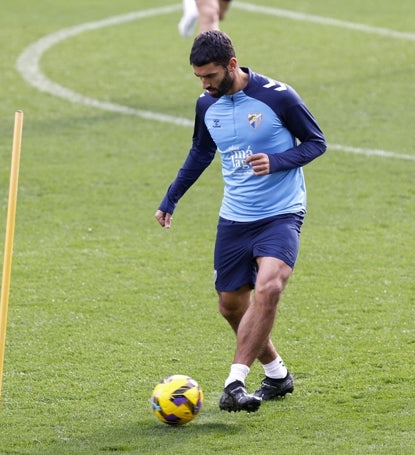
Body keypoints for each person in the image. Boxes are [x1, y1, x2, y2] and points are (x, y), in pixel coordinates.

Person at [154, 30, 326, 412]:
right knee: (231, 306)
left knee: (269, 288)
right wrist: (171, 198)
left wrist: (277, 161)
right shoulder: (206, 104)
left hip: (281, 213)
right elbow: (200, 152)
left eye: (211, 76)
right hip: (235, 217)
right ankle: (278, 375)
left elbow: (316, 142)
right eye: (199, 77)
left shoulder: (278, 97)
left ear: (232, 64)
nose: (205, 84)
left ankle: (235, 381)